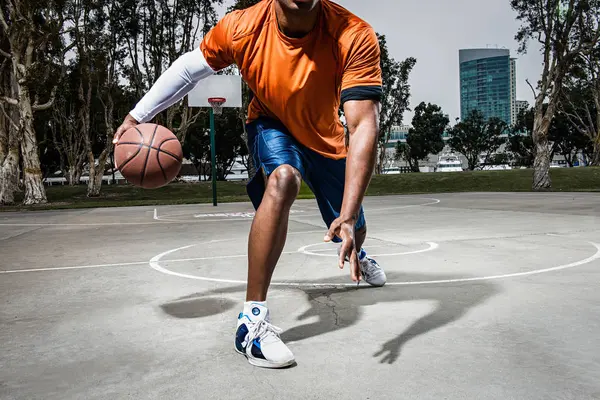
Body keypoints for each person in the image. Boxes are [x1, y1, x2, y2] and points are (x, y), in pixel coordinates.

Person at [113, 0, 386, 369]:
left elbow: (363, 125)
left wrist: (350, 215)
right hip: (271, 124)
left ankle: (360, 252)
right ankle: (252, 322)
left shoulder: (352, 34)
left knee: (353, 230)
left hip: (327, 140)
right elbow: (188, 69)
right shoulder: (243, 27)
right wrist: (136, 117)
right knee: (283, 180)